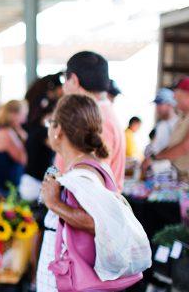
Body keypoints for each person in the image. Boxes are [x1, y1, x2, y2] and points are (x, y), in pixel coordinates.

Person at [37, 94, 119, 292]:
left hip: (70, 282)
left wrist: (54, 203)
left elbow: (97, 221)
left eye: (51, 122)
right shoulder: (86, 167)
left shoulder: (83, 174)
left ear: (59, 130)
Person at [56, 51, 125, 190]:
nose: (63, 88)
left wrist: (54, 202)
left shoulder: (97, 120)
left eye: (65, 80)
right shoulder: (102, 115)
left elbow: (90, 187)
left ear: (74, 80)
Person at [20, 73, 62, 288]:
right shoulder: (41, 133)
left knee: (36, 229)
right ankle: (34, 276)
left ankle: (33, 274)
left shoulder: (34, 129)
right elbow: (58, 146)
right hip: (33, 184)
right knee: (37, 230)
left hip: (31, 182)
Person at [143, 77, 189, 179]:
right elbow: (173, 145)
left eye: (177, 93)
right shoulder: (183, 116)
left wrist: (156, 158)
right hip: (180, 175)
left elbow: (185, 146)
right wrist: (154, 157)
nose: (174, 97)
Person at [0, 100, 28, 197]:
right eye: (23, 115)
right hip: (0, 192)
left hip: (1, 188)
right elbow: (23, 159)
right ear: (13, 115)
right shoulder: (6, 133)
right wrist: (24, 138)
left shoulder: (4, 131)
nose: (24, 120)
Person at [150, 88, 179, 154]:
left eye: (160, 103)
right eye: (156, 104)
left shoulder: (178, 124)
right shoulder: (160, 125)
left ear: (170, 104)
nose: (157, 107)